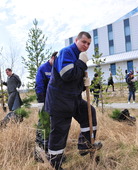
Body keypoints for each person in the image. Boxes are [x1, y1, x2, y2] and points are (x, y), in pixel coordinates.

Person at [45, 31, 102, 170]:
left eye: (88, 43)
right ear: (76, 40)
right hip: (59, 101)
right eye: (84, 42)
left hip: (73, 98)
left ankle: (85, 146)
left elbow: (74, 81)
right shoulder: (67, 52)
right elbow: (67, 75)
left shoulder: (78, 56)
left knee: (89, 113)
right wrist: (82, 63)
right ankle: (55, 163)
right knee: (60, 131)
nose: (86, 45)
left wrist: (83, 84)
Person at [34, 51, 57, 162]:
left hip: (54, 102)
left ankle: (50, 151)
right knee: (43, 124)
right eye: (56, 61)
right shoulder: (43, 68)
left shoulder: (56, 68)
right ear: (52, 58)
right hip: (44, 101)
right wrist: (41, 101)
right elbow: (39, 85)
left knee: (52, 125)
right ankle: (39, 153)